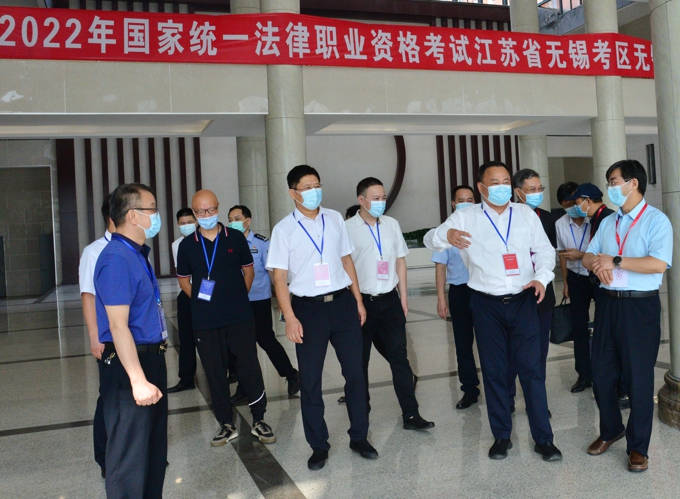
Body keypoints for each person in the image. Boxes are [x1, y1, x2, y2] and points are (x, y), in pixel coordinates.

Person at [426, 161, 561, 462]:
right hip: (485, 303)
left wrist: (542, 278)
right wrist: (446, 236)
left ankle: (544, 439)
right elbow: (430, 239)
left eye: (505, 181)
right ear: (481, 187)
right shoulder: (465, 216)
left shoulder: (525, 214)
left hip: (524, 300)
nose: (501, 187)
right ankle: (501, 436)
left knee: (532, 371)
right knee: (494, 371)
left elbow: (544, 250)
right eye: (494, 182)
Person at [266, 164, 377, 471]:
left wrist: (358, 300)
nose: (314, 191)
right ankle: (318, 445)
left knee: (356, 374)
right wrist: (289, 317)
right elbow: (279, 278)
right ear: (293, 193)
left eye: (317, 185)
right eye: (307, 187)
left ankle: (360, 437)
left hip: (342, 305)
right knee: (311, 380)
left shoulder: (335, 218)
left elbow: (346, 260)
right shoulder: (283, 229)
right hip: (308, 310)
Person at [583, 159, 672, 473]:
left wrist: (616, 260)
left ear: (633, 183)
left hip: (639, 308)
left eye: (614, 181)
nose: (610, 187)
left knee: (638, 380)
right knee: (601, 375)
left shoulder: (656, 221)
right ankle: (611, 430)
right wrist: (597, 265)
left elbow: (657, 264)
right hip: (608, 304)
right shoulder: (609, 222)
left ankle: (638, 448)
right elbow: (589, 255)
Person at [176, 190, 276, 447]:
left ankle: (259, 418)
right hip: (206, 320)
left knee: (249, 367)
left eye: (211, 210)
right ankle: (225, 423)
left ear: (218, 208)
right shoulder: (187, 245)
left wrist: (238, 297)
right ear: (194, 212)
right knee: (214, 371)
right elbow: (184, 281)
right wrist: (201, 301)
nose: (206, 215)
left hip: (239, 316)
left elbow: (248, 271)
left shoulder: (235, 238)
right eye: (201, 211)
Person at [94, 183, 168, 498]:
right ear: (134, 216)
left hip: (149, 358)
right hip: (129, 368)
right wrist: (137, 380)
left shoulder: (135, 255)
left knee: (152, 454)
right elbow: (117, 325)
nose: (157, 215)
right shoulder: (116, 259)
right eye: (152, 208)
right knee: (129, 459)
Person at [345, 177, 434, 430]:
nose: (381, 202)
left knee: (399, 358)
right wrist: (357, 301)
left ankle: (411, 414)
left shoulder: (391, 224)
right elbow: (345, 266)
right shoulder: (347, 228)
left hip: (390, 301)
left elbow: (400, 261)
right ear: (361, 200)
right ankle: (361, 417)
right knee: (359, 363)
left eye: (383, 197)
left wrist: (403, 297)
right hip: (360, 303)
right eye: (376, 198)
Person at [564, 183, 630, 407]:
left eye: (577, 202)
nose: (576, 207)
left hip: (608, 283)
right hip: (590, 279)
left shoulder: (608, 219)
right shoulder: (597, 219)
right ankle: (591, 376)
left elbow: (609, 255)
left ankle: (621, 387)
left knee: (611, 334)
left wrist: (584, 257)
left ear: (587, 201)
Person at [226, 204, 300, 405]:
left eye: (237, 219)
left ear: (248, 221)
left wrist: (282, 300)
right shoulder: (228, 243)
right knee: (241, 347)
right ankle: (244, 388)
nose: (233, 223)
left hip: (258, 301)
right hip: (237, 303)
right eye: (230, 220)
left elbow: (274, 274)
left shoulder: (262, 243)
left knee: (266, 341)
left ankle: (290, 374)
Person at [510, 170, 557, 412]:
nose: (537, 193)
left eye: (540, 189)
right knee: (511, 352)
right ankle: (508, 399)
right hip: (513, 294)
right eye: (532, 189)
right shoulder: (506, 217)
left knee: (539, 352)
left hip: (541, 295)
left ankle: (537, 401)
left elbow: (549, 255)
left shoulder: (547, 219)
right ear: (518, 192)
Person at [431, 185, 481, 410]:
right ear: (453, 203)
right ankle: (469, 389)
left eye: (470, 199)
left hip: (483, 290)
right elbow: (440, 267)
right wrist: (441, 298)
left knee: (489, 342)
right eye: (461, 200)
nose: (466, 203)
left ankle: (497, 387)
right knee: (463, 343)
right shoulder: (445, 231)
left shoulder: (482, 226)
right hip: (460, 292)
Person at [79, 194, 114, 479]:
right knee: (110, 397)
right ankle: (106, 458)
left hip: (140, 338)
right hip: (109, 338)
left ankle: (138, 454)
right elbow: (88, 296)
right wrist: (94, 337)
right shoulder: (94, 251)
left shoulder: (139, 248)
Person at [555, 182, 593, 393]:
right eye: (566, 204)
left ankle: (605, 372)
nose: (571, 207)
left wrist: (581, 255)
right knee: (579, 327)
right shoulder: (560, 224)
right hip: (577, 279)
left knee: (606, 326)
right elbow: (562, 256)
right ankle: (584, 374)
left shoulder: (594, 219)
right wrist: (566, 282)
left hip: (597, 277)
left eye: (573, 201)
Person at [168, 208, 198, 393]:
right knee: (186, 338)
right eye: (183, 223)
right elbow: (182, 274)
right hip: (186, 293)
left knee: (212, 337)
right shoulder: (176, 245)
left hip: (206, 293)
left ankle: (229, 371)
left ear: (196, 222)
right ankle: (186, 378)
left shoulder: (205, 240)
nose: (187, 226)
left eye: (190, 222)